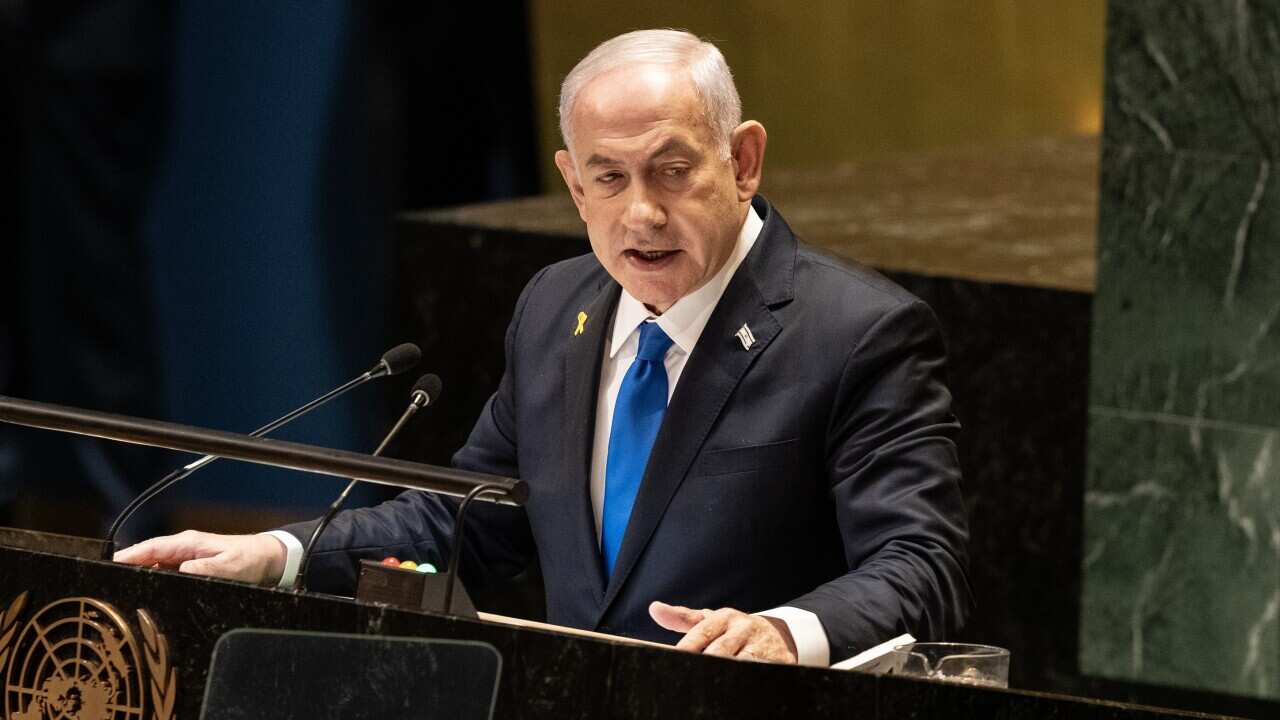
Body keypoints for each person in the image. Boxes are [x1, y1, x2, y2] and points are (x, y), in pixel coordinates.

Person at [115, 29, 971, 666]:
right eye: (609, 178)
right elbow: (472, 520)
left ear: (743, 161)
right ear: (571, 182)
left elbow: (919, 566)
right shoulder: (556, 308)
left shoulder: (857, 333)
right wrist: (283, 555)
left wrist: (787, 632)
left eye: (673, 171)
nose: (641, 212)